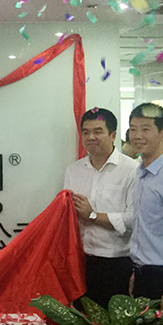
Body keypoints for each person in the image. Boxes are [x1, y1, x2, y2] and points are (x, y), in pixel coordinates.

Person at [64, 107, 138, 308]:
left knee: (113, 320)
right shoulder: (74, 170)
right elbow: (66, 216)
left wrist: (93, 215)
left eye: (98, 131)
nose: (91, 137)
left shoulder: (131, 170)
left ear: (113, 135)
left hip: (116, 262)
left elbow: (133, 219)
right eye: (86, 132)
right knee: (81, 318)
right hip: (80, 262)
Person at [129, 103, 163, 312]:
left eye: (145, 129)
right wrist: (136, 273)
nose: (137, 136)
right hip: (142, 274)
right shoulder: (140, 173)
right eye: (133, 129)